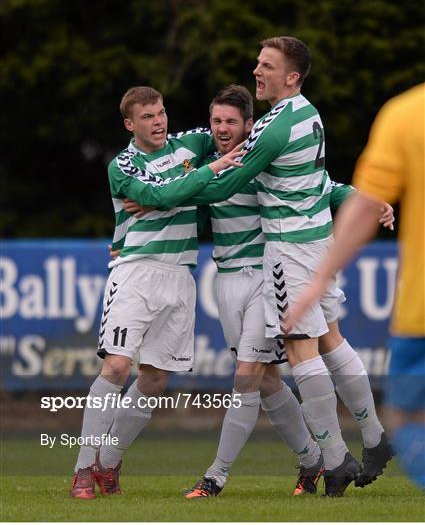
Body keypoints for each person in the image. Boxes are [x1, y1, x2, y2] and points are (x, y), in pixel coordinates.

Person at [123, 84, 395, 497]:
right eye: (216, 121)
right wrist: (161, 200)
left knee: (250, 374)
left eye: (232, 121)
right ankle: (317, 461)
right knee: (268, 380)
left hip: (267, 277)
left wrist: (366, 200)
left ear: (249, 125)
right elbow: (180, 192)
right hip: (228, 280)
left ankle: (216, 476)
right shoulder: (205, 164)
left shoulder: (259, 161)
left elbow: (323, 185)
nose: (222, 128)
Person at [70, 86, 246, 499]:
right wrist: (205, 174)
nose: (159, 121)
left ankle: (108, 463)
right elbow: (161, 194)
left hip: (181, 274)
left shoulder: (192, 142)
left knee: (154, 378)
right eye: (148, 116)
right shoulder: (123, 164)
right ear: (130, 124)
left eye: (161, 112)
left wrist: (188, 184)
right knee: (115, 367)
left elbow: (233, 136)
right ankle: (82, 467)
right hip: (135, 271)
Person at [287, 83, 425, 489]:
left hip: (420, 313)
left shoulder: (407, 113)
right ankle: (356, 445)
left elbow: (365, 205)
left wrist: (318, 279)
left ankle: (333, 457)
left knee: (408, 418)